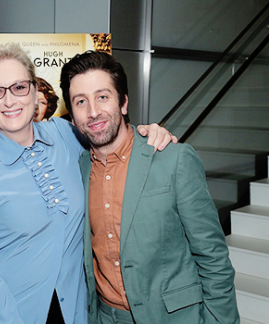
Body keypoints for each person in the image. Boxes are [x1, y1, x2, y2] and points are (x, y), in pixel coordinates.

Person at [0, 43, 175, 324]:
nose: (9, 101)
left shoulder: (65, 135)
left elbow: (111, 136)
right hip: (12, 315)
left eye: (19, 87)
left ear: (35, 92)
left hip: (76, 311)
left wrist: (149, 133)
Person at [59, 50, 239, 324]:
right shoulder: (77, 170)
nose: (93, 111)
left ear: (124, 102)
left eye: (103, 96)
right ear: (72, 116)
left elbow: (213, 258)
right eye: (81, 101)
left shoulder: (173, 158)